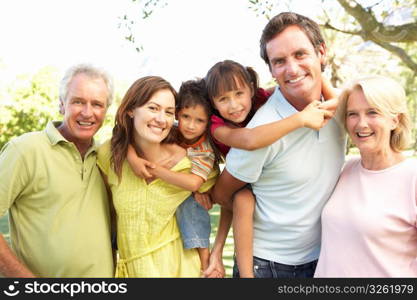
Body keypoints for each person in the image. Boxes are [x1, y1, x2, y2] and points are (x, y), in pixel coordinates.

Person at [206, 12, 346, 278]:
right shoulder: (263, 129)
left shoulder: (344, 108)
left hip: (327, 257)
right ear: (271, 70)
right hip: (269, 267)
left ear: (321, 52)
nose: (291, 69)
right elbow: (222, 195)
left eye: (300, 54)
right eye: (279, 61)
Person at [0, 63, 115, 277]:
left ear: (106, 110)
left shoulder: (106, 159)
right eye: (78, 102)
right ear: (62, 105)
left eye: (97, 104)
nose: (87, 112)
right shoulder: (25, 150)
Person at [97, 76, 216, 277]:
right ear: (130, 110)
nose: (161, 119)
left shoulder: (191, 163)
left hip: (183, 271)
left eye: (169, 112)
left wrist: (215, 254)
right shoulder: (109, 154)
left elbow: (224, 199)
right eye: (153, 108)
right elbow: (106, 217)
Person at [314, 76, 416, 277]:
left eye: (372, 112)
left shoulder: (412, 177)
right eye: (352, 114)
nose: (361, 124)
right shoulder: (345, 169)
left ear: (394, 119)